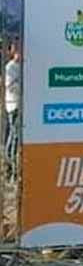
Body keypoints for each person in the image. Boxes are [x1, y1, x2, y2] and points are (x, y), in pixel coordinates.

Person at [4, 44, 21, 179]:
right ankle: (10, 167)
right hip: (13, 105)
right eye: (16, 50)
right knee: (14, 136)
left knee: (15, 136)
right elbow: (9, 87)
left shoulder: (23, 66)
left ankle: (13, 168)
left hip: (22, 105)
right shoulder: (10, 67)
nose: (19, 53)